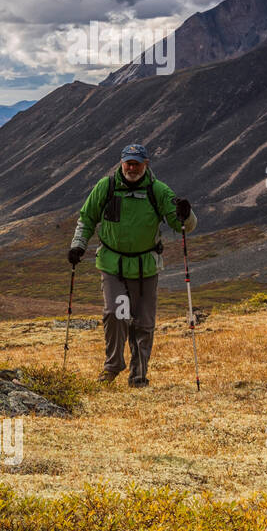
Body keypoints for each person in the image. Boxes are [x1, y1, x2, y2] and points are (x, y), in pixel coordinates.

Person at [67, 143, 196, 387]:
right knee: (116, 314)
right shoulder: (106, 187)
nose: (132, 167)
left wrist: (186, 214)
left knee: (143, 323)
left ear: (146, 164)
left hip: (146, 267)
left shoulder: (158, 191)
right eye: (128, 162)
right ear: (121, 162)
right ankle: (113, 366)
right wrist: (78, 246)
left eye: (137, 162)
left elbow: (183, 226)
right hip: (112, 265)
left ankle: (138, 377)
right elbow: (87, 219)